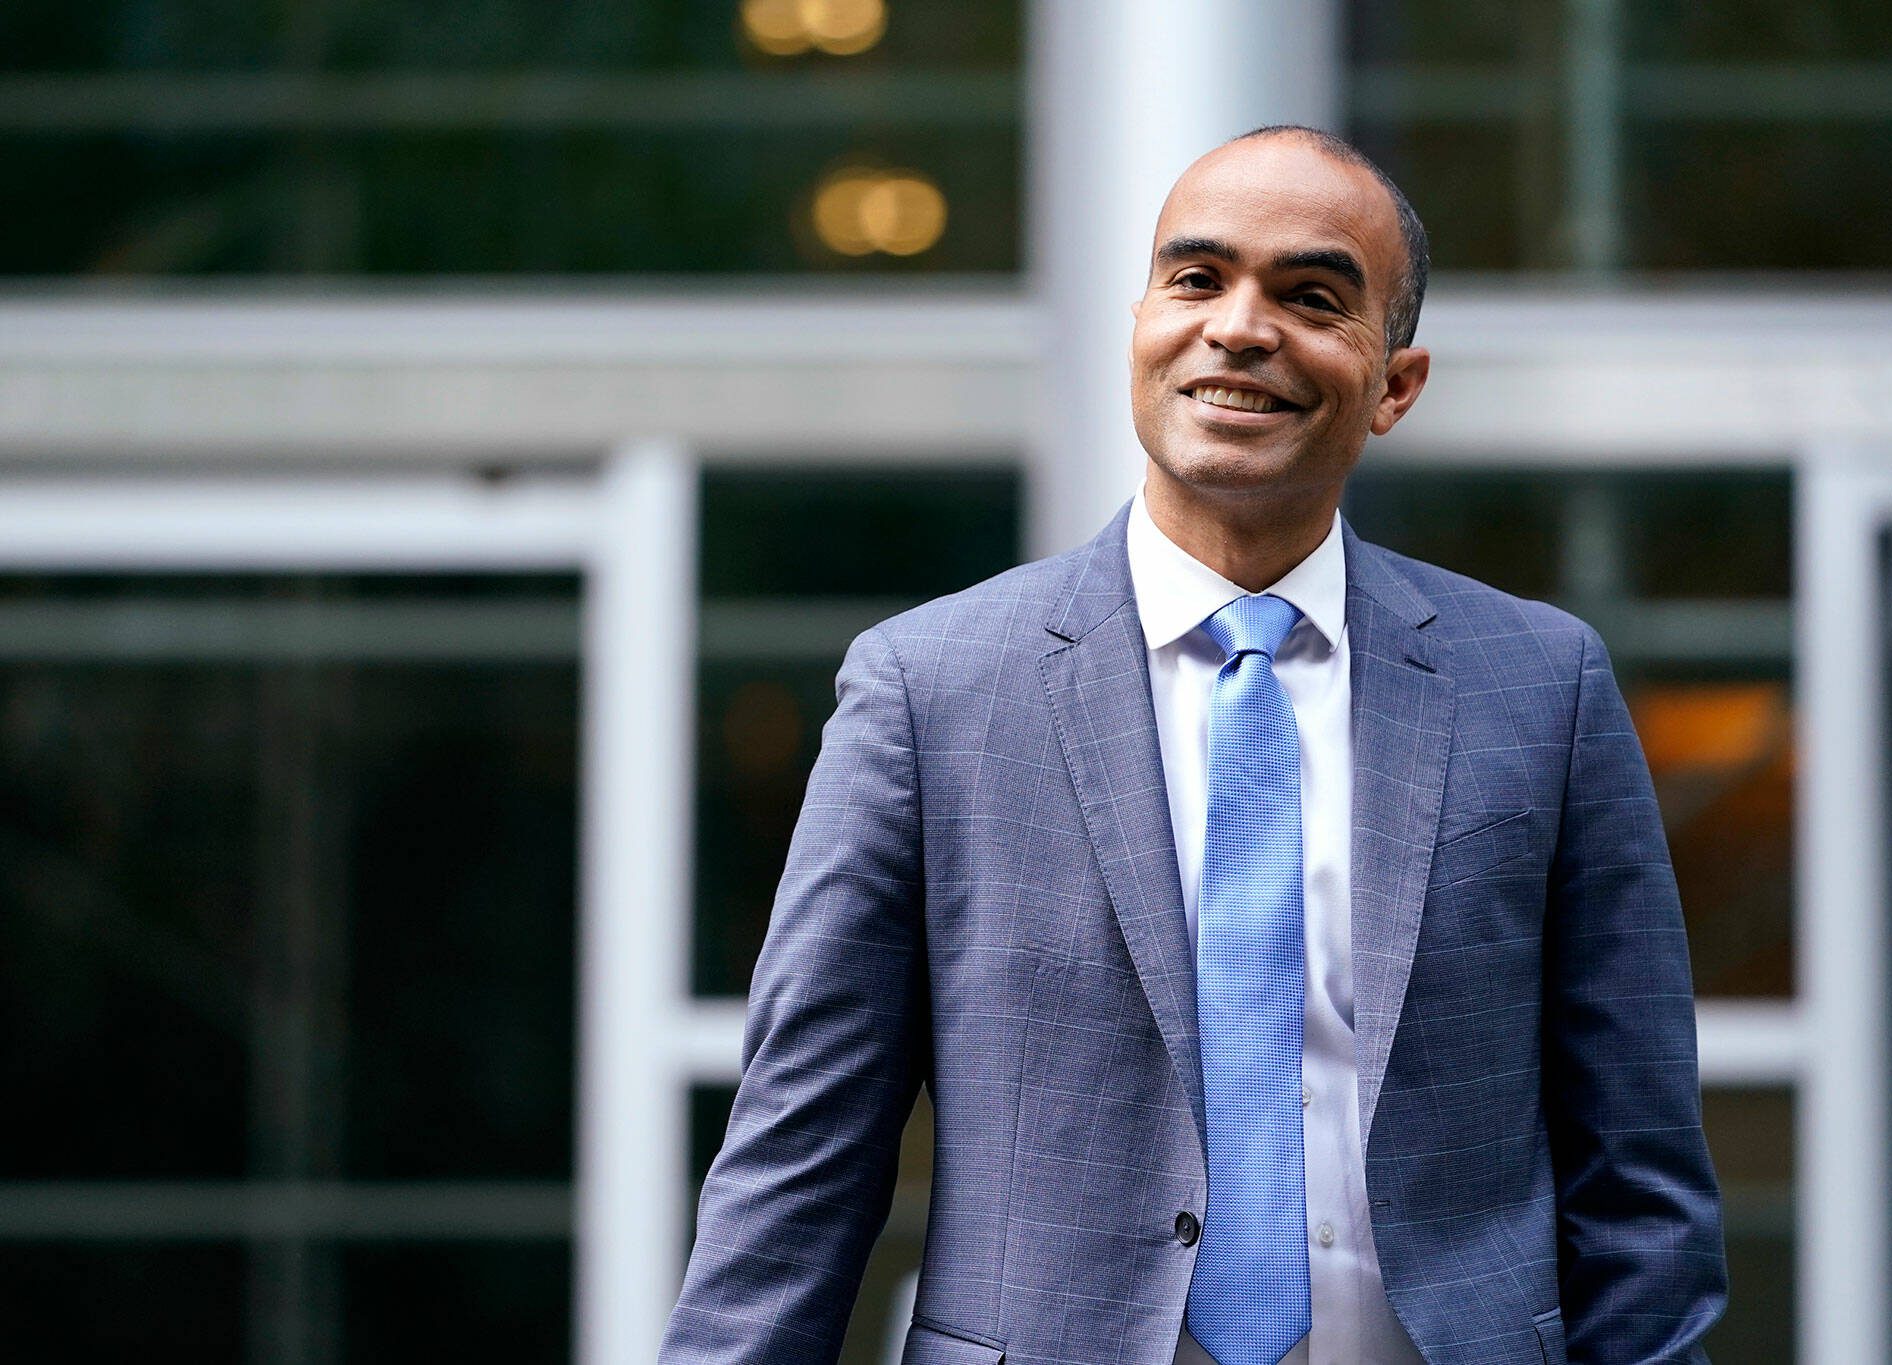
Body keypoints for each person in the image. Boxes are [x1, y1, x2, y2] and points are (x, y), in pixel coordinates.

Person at [660, 125, 1726, 1365]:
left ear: (1393, 382)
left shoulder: (1542, 688)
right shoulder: (929, 690)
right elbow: (800, 1162)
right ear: (1138, 332)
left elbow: (1636, 1177)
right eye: (1196, 278)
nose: (1238, 326)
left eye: (1311, 296)